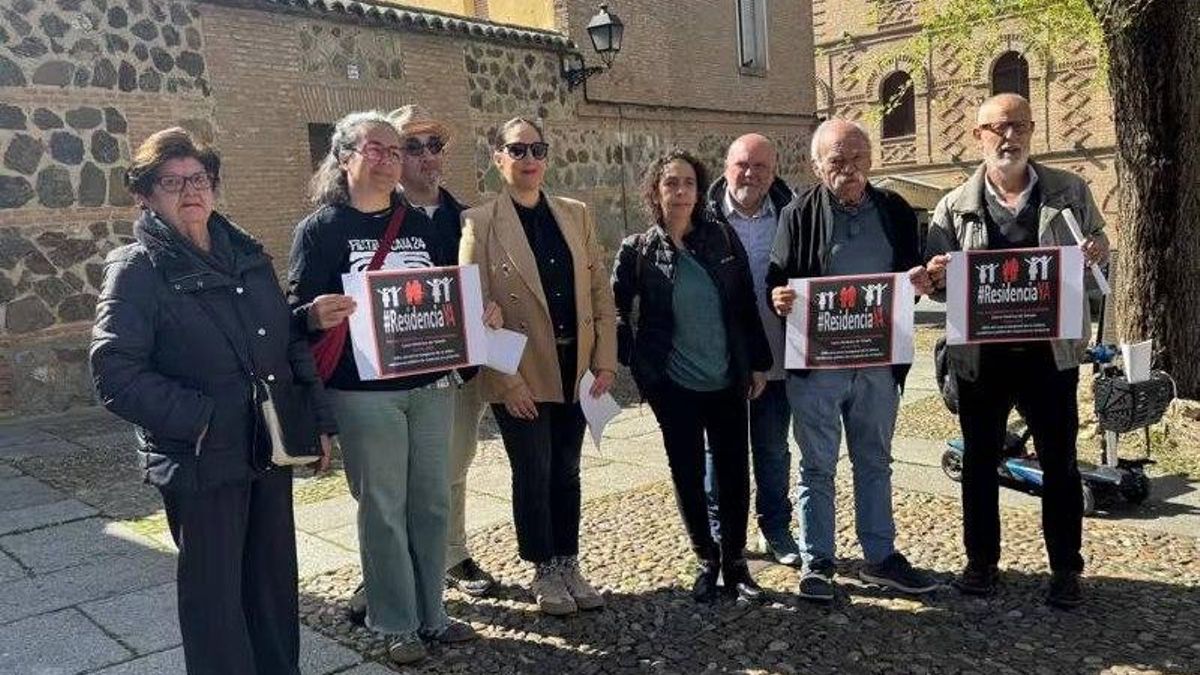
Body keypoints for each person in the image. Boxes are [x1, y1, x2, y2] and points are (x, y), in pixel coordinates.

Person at [90, 127, 336, 674]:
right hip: (201, 459)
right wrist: (200, 420)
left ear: (214, 186)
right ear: (146, 195)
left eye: (198, 179)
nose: (189, 191)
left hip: (267, 448)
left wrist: (316, 422)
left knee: (272, 588)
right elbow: (114, 370)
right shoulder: (136, 269)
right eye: (171, 182)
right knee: (216, 603)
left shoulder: (247, 255)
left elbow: (284, 340)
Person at [288, 110, 500, 664]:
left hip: (430, 384)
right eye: (374, 149)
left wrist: (477, 313)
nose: (387, 158)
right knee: (382, 505)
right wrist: (313, 313)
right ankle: (396, 620)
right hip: (363, 392)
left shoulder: (422, 224)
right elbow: (296, 311)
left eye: (393, 149)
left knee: (431, 501)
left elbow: (443, 293)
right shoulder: (321, 230)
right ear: (344, 158)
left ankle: (435, 613)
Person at [925, 93, 1109, 608]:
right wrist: (937, 277)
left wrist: (1097, 253)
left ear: (1031, 130)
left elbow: (1098, 259)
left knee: (1061, 463)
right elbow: (936, 284)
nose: (1009, 137)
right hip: (981, 360)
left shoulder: (1070, 193)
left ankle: (1066, 569)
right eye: (997, 128)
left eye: (1018, 126)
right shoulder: (953, 205)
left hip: (1050, 356)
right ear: (979, 135)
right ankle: (981, 563)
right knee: (980, 462)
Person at [767, 118, 939, 603]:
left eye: (858, 157)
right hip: (818, 365)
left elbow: (913, 278)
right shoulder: (797, 214)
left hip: (878, 364)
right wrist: (779, 297)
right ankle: (817, 560)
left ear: (871, 159)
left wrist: (922, 283)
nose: (850, 169)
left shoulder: (895, 210)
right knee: (817, 465)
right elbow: (778, 278)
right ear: (817, 165)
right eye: (837, 160)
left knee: (875, 460)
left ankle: (881, 557)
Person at [459, 117, 618, 616]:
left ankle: (569, 561)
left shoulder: (576, 214)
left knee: (567, 472)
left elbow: (599, 292)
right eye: (518, 149)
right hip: (522, 372)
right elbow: (473, 308)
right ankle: (543, 568)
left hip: (577, 367)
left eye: (538, 149)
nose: (529, 158)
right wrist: (506, 382)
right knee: (533, 470)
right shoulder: (478, 223)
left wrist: (606, 362)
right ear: (498, 158)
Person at [613, 149, 773, 602]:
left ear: (699, 191)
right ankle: (706, 557)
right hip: (673, 386)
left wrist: (758, 363)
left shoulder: (721, 239)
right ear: (656, 191)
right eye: (670, 183)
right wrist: (637, 361)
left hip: (726, 379)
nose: (680, 191)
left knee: (733, 471)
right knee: (686, 472)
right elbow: (616, 307)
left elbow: (745, 305)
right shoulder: (638, 250)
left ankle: (736, 562)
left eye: (687, 183)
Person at [704, 133, 798, 565]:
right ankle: (723, 534)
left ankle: (776, 529)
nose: (750, 173)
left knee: (774, 449)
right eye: (742, 164)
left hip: (778, 358)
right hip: (721, 363)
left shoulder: (793, 215)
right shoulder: (702, 221)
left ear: (773, 172)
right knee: (719, 451)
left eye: (760, 166)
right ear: (726, 167)